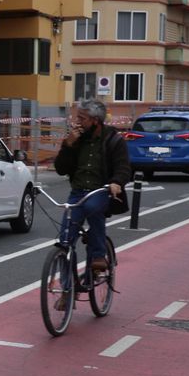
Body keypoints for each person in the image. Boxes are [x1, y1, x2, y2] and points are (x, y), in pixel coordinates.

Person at [54, 100, 131, 276]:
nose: (77, 122)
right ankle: (67, 290)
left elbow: (123, 168)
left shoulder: (113, 140)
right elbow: (60, 169)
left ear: (95, 120)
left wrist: (116, 182)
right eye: (77, 118)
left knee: (92, 207)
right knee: (65, 241)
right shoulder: (77, 139)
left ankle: (98, 255)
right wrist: (68, 145)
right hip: (77, 192)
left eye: (82, 118)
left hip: (101, 191)